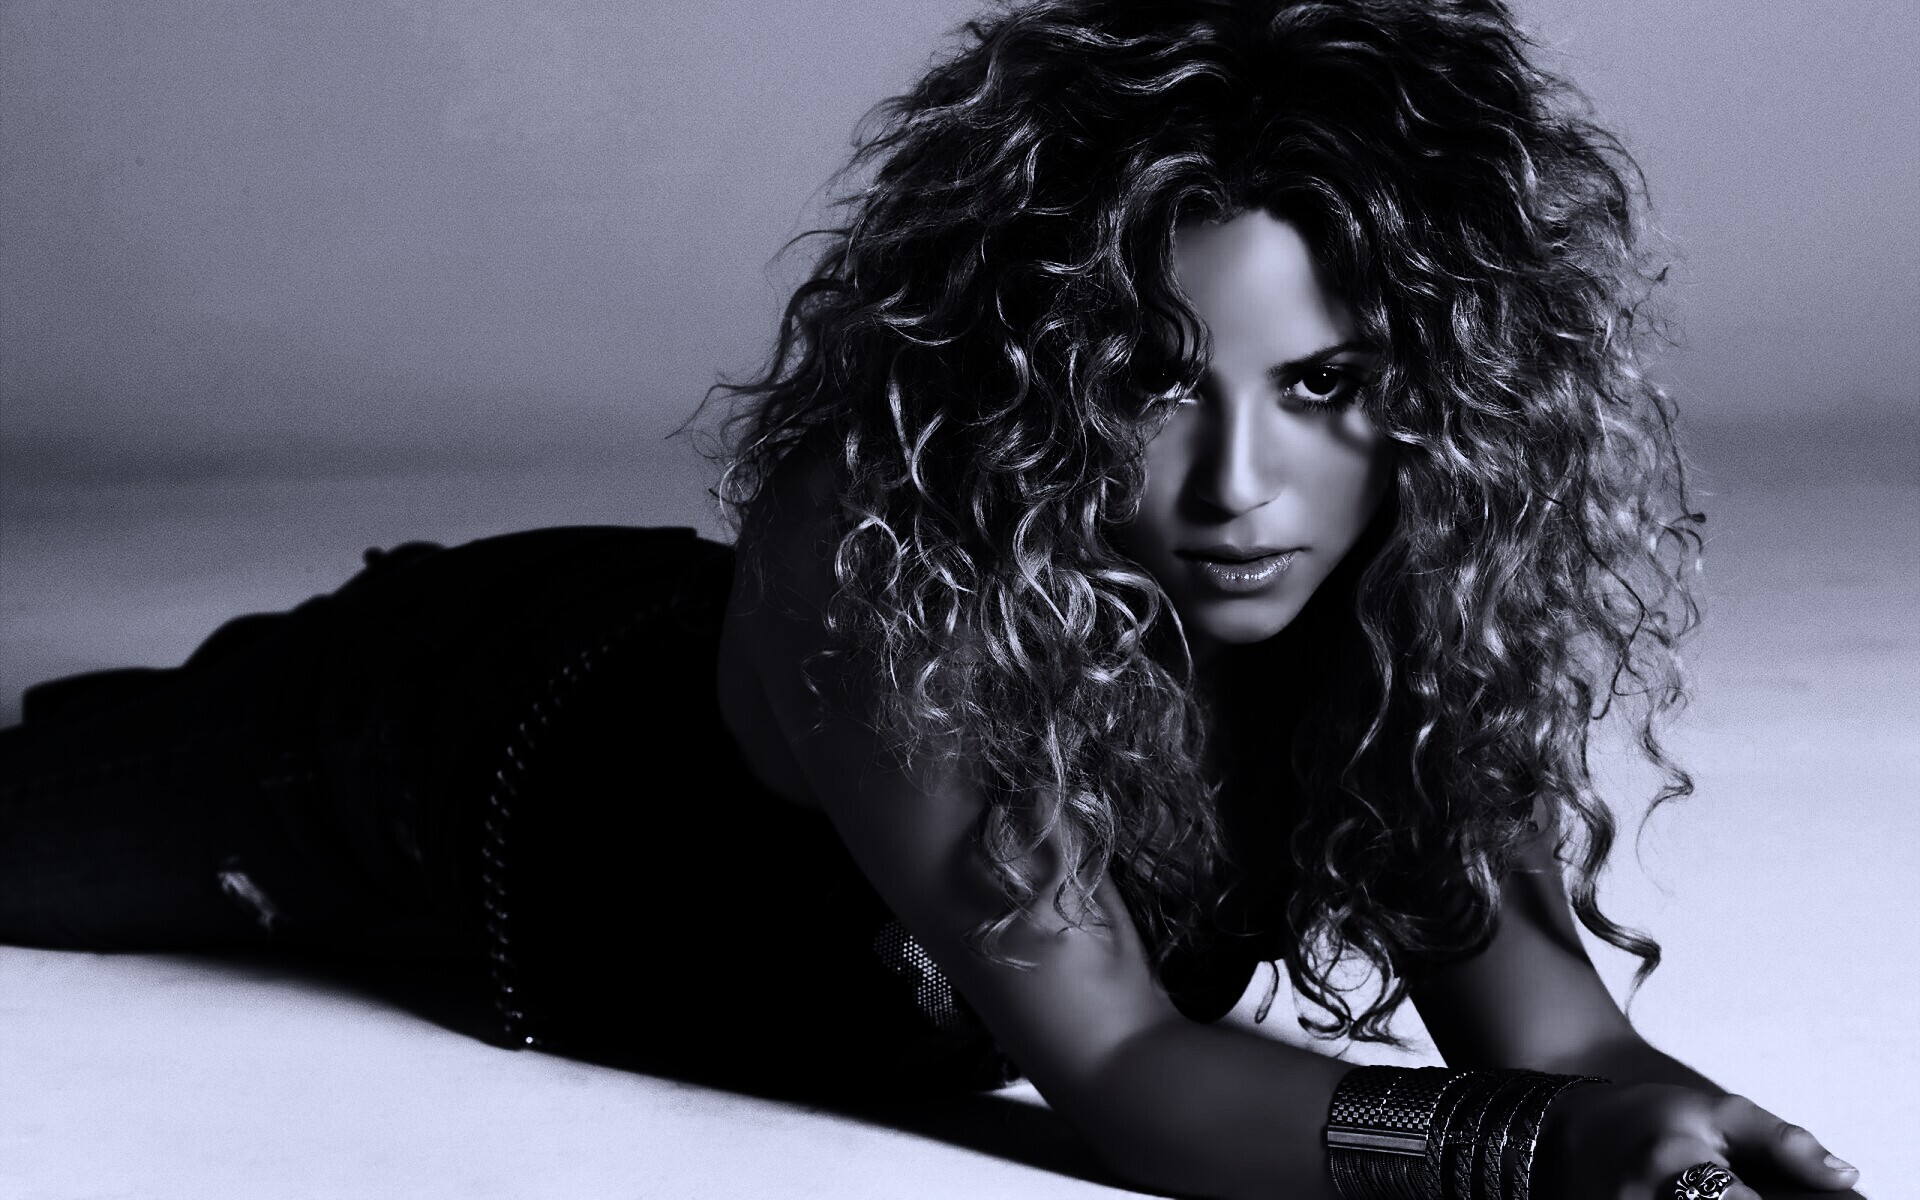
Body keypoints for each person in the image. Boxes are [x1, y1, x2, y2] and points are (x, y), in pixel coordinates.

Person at [0, 2, 1869, 1198]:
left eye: (1324, 385)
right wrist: (1519, 1163)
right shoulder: (892, 576)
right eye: (1150, 379)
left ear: (1448, 393)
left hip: (691, 664)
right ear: (1040, 371)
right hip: (409, 747)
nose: (1238, 487)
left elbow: (1566, 1047)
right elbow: (1122, 1072)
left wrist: (1707, 1148)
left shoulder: (1393, 609)